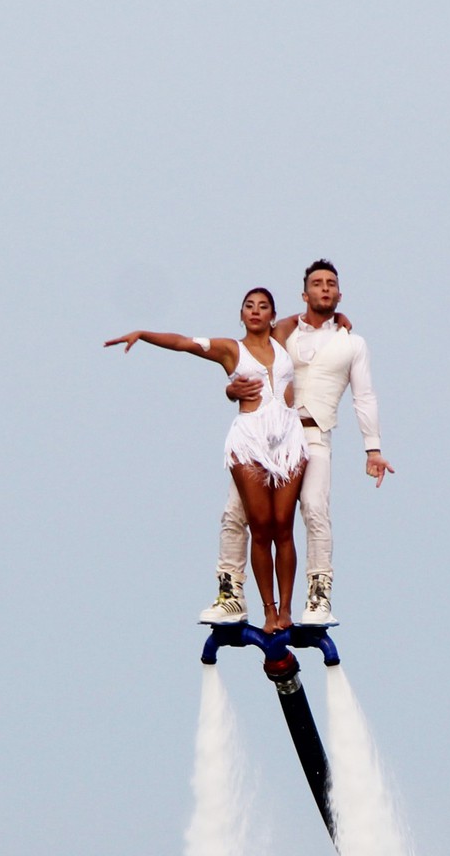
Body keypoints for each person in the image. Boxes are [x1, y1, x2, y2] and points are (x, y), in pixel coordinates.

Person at [107, 289, 308, 633]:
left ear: (272, 315)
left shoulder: (281, 339)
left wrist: (340, 319)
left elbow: (306, 316)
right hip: (250, 439)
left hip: (287, 439)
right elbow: (184, 342)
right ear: (241, 314)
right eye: (249, 306)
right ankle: (270, 612)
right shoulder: (231, 349)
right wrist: (143, 334)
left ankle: (287, 609)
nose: (256, 312)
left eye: (263, 307)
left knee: (283, 526)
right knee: (261, 528)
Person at [205, 260, 391, 627]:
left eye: (331, 284)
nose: (325, 288)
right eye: (318, 284)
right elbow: (245, 363)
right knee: (235, 511)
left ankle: (318, 595)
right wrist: (230, 391)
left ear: (340, 293)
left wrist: (373, 448)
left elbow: (364, 395)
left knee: (314, 508)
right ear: (305, 294)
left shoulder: (352, 343)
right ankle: (230, 594)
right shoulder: (283, 334)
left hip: (314, 432)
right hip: (269, 433)